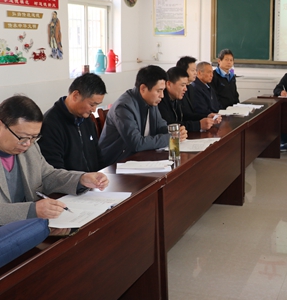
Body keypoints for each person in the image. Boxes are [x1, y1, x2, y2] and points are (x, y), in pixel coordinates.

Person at [0, 95, 109, 225]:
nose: (27, 144)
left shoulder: (30, 147)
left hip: (29, 227)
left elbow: (47, 175)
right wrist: (31, 210)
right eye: (22, 137)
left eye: (34, 137)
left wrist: (80, 179)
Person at [98, 65, 188, 166]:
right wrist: (171, 138)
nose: (162, 96)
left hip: (138, 158)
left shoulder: (151, 101)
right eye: (158, 91)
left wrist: (176, 133)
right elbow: (136, 143)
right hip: (115, 163)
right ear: (143, 88)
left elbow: (161, 127)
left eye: (163, 90)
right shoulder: (123, 107)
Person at [39, 73, 107, 172]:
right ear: (75, 96)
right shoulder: (50, 124)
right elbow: (55, 170)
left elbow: (97, 155)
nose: (94, 110)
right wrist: (82, 179)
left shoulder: (86, 119)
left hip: (93, 180)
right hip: (71, 181)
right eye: (92, 104)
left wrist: (102, 175)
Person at [158, 66, 217, 131]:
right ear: (169, 84)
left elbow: (185, 116)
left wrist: (207, 117)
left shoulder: (176, 98)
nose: (185, 89)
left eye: (186, 85)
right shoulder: (160, 100)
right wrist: (198, 125)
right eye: (182, 85)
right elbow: (169, 125)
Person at [176, 56, 200, 122]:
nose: (195, 73)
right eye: (193, 70)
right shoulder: (177, 90)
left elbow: (192, 113)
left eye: (196, 70)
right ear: (183, 71)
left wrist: (207, 116)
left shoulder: (191, 87)